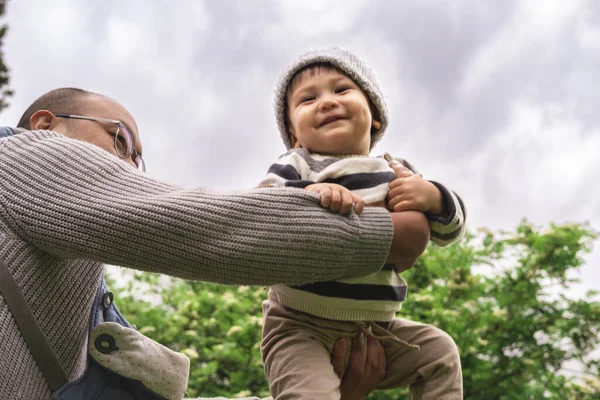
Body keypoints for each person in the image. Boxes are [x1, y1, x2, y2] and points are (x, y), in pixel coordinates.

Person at [0, 87, 422, 399]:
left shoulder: (80, 289)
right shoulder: (21, 156)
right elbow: (203, 228)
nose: (132, 167)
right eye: (121, 141)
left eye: (137, 159)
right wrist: (384, 234)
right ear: (45, 125)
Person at [257, 48, 467, 400]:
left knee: (440, 353)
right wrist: (311, 191)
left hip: (375, 329)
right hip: (300, 325)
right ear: (294, 135)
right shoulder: (297, 164)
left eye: (341, 90)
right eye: (308, 99)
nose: (326, 102)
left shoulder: (394, 169)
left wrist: (433, 197)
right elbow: (263, 208)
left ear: (375, 118)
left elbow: (449, 233)